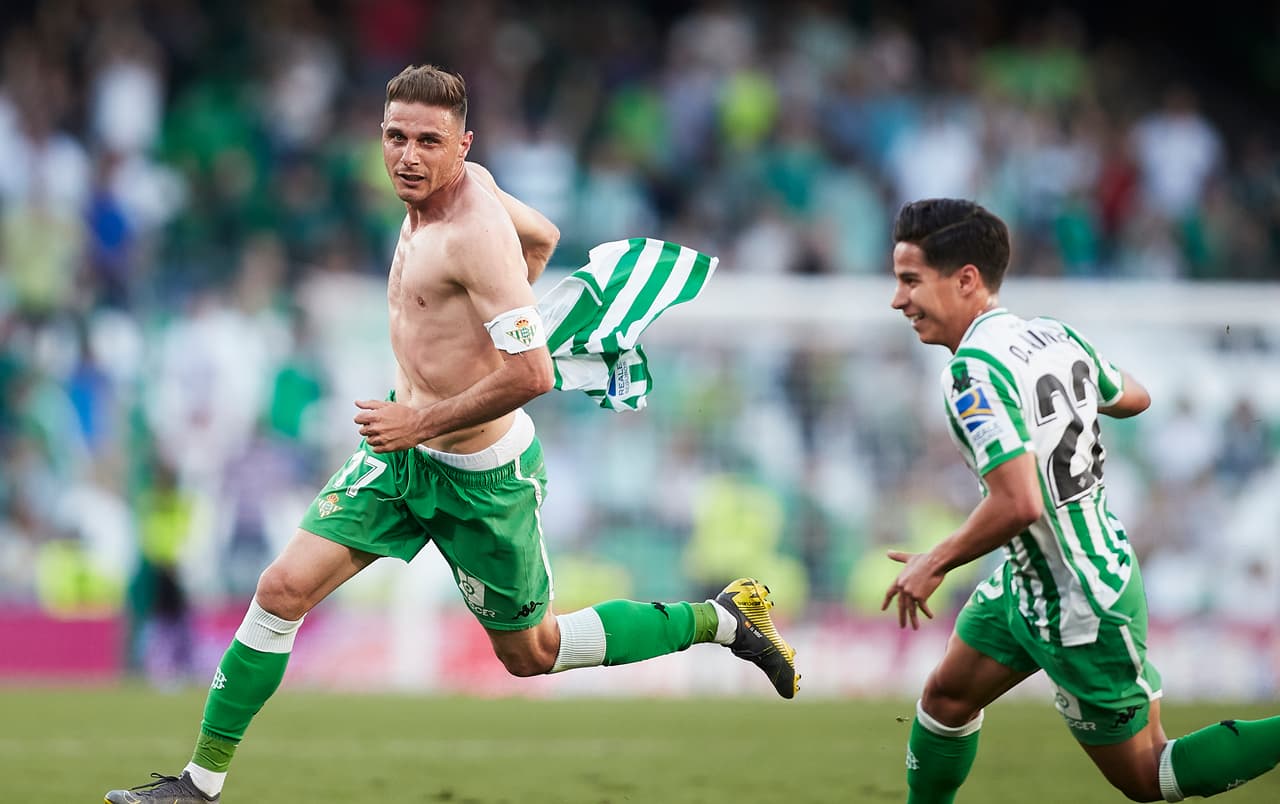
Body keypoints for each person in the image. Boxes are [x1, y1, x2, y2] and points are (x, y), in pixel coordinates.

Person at [105, 64, 798, 804]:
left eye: (429, 142)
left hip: (482, 476)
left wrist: (422, 415)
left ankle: (720, 619)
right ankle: (198, 786)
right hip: (402, 460)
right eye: (396, 137)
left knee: (533, 654)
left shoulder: (471, 233)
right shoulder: (456, 199)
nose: (408, 156)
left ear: (461, 145)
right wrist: (486, 328)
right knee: (281, 589)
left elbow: (532, 373)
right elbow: (546, 234)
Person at [881, 197, 1279, 803]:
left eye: (910, 281)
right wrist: (1066, 407)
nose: (898, 300)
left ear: (966, 280)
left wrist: (934, 561)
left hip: (1080, 595)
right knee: (945, 699)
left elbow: (1020, 503)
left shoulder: (970, 375)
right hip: (1029, 578)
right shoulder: (1052, 335)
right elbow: (1135, 396)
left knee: (1150, 777)